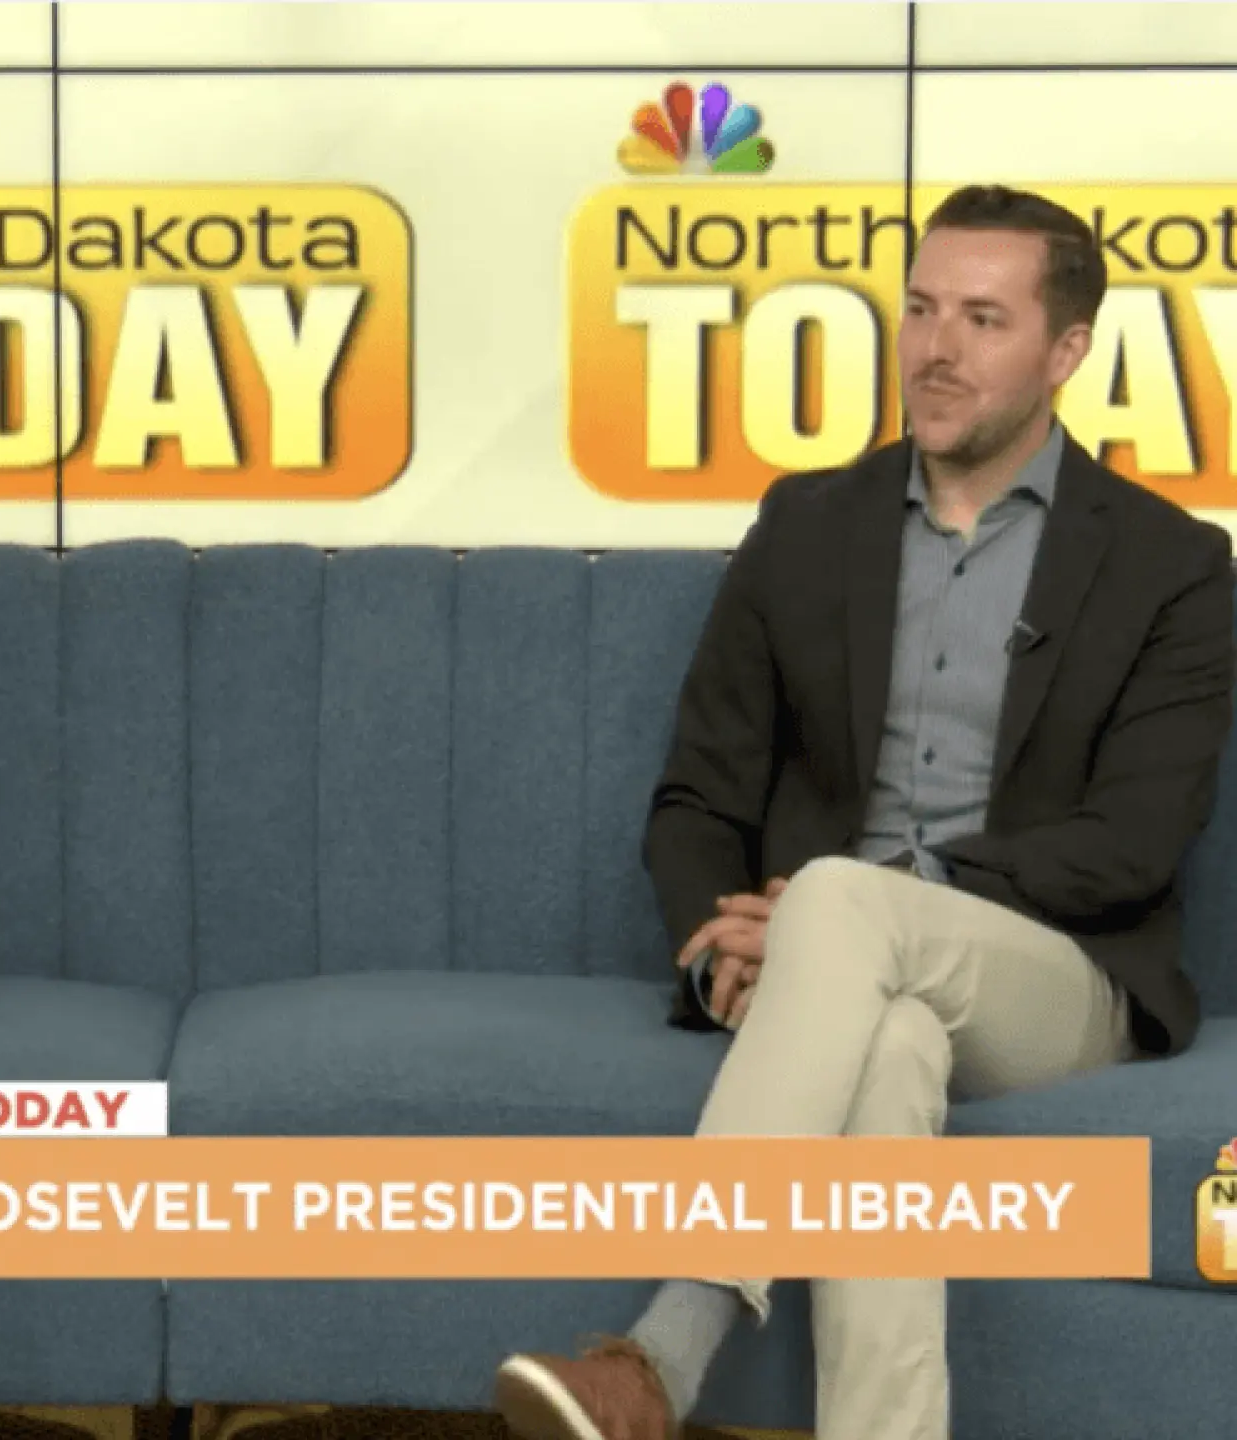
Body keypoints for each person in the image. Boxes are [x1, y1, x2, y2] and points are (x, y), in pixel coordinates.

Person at [493, 184, 1236, 1440]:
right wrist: (716, 953)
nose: (936, 350)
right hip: (833, 971)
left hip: (1060, 980)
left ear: (1065, 352)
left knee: (842, 896)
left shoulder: (1174, 563)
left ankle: (664, 1355)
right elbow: (696, 797)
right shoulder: (806, 524)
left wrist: (850, 916)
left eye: (984, 320)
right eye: (921, 309)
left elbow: (1130, 846)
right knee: (887, 1052)